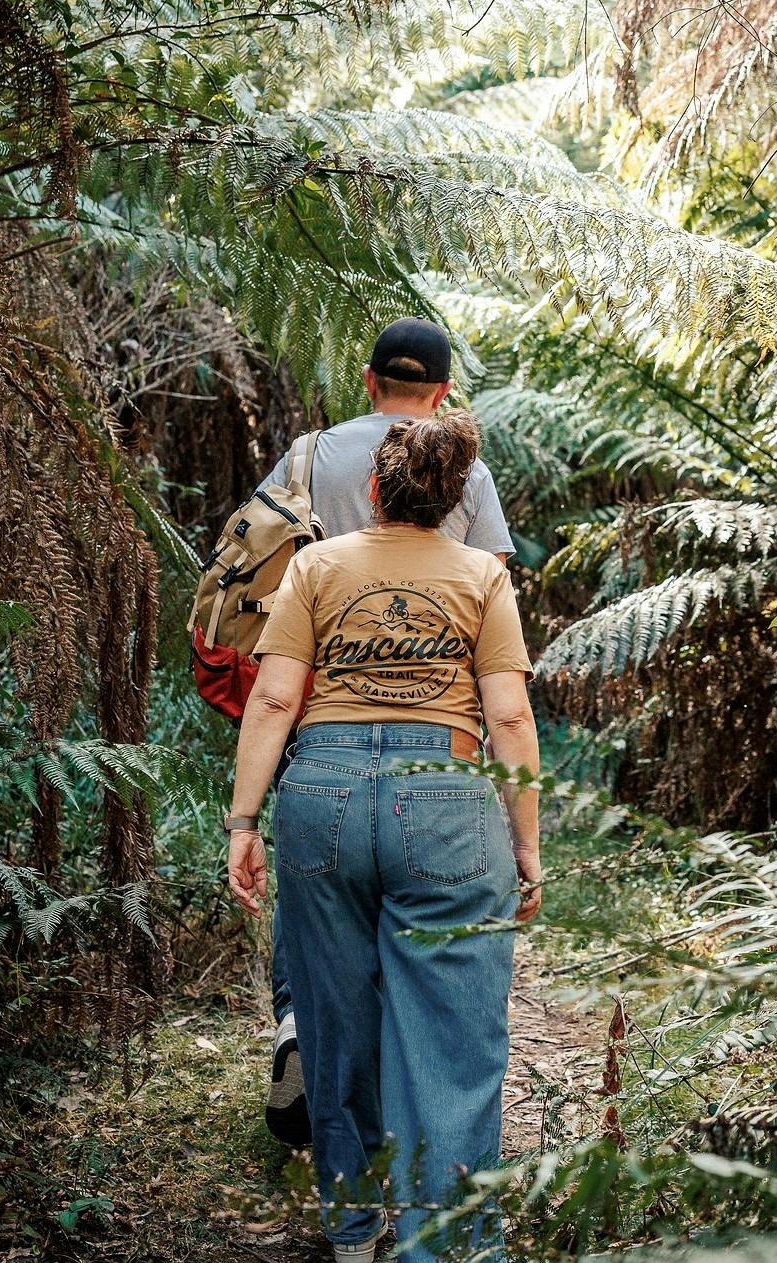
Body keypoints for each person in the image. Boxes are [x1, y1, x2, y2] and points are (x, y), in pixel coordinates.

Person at [224, 411, 543, 1263]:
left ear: (373, 490)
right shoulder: (482, 573)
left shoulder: (319, 565)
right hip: (444, 796)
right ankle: (448, 1256)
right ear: (455, 498)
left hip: (320, 794)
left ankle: (353, 1221)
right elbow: (509, 714)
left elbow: (274, 700)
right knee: (452, 1037)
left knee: (335, 1020)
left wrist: (244, 822)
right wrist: (526, 847)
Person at [252, 318, 516, 1149]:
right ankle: (431, 1177)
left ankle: (305, 1031)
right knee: (432, 959)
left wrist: (240, 816)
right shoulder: (460, 469)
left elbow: (252, 568)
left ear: (368, 381)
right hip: (439, 752)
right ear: (441, 396)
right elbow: (496, 650)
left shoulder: (306, 456)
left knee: (322, 919)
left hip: (318, 732)